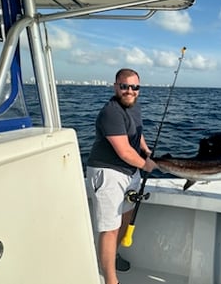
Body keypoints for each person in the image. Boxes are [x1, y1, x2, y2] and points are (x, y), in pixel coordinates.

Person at [87, 68, 158, 284]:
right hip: (108, 173)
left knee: (126, 217)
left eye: (134, 87)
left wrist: (145, 150)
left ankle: (112, 257)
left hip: (130, 172)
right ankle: (110, 280)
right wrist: (147, 164)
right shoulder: (111, 112)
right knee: (110, 229)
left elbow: (137, 132)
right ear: (115, 86)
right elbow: (125, 152)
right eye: (124, 86)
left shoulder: (134, 106)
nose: (130, 91)